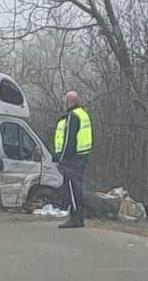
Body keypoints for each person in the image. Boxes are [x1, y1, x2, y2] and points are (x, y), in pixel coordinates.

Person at [53, 90, 92, 229]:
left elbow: (69, 141)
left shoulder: (73, 116)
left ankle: (75, 217)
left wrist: (61, 159)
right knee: (77, 186)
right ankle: (78, 216)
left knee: (71, 187)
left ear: (69, 102)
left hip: (73, 158)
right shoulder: (83, 114)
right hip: (82, 156)